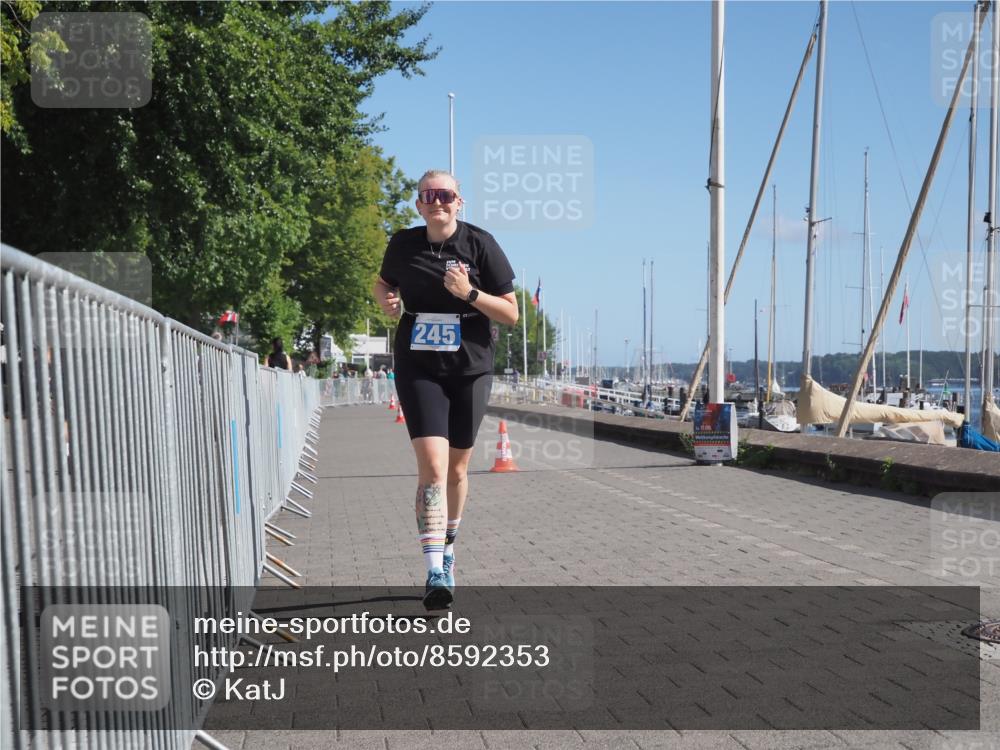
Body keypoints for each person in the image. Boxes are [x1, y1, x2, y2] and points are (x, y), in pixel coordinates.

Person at [373, 169, 518, 610]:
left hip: (470, 365)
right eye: (429, 195)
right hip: (418, 365)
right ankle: (435, 567)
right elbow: (383, 284)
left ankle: (449, 546)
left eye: (447, 195)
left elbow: (511, 314)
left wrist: (469, 292)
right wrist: (386, 301)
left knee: (458, 470)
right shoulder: (403, 243)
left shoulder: (481, 244)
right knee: (433, 469)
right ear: (418, 204)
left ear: (460, 202)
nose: (438, 201)